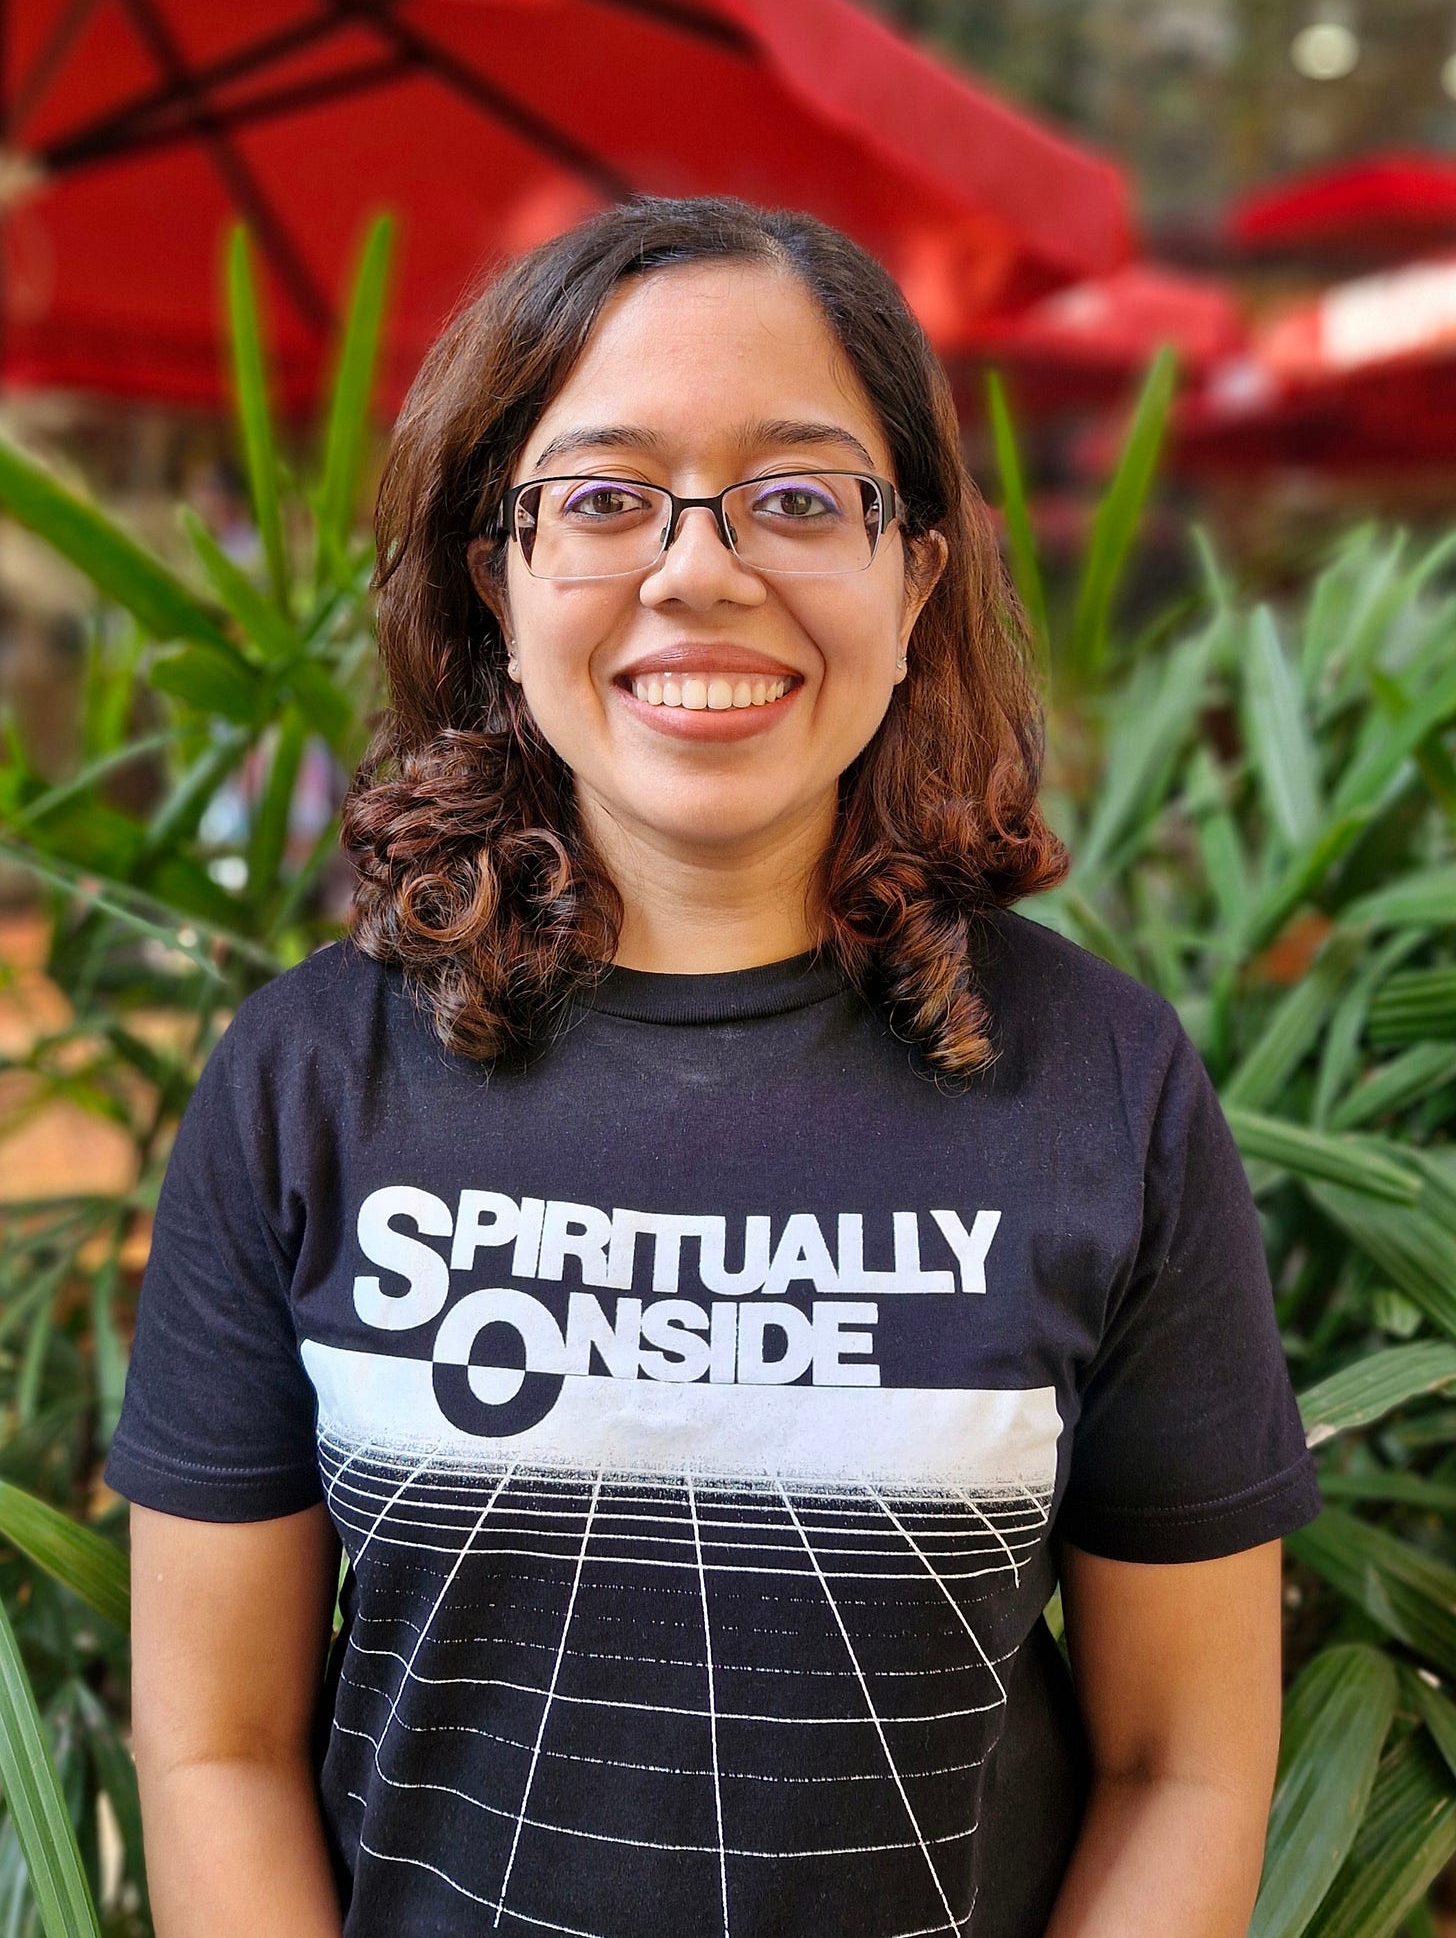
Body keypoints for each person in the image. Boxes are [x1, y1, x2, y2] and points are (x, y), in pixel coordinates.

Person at [108, 194, 1321, 1938]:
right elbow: (216, 1744)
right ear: (498, 577)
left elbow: (1182, 1760)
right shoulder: (308, 1081)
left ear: (914, 576)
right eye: (605, 497)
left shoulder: (1100, 1083)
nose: (700, 569)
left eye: (800, 497)